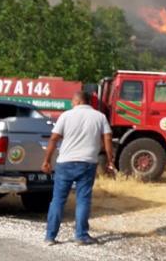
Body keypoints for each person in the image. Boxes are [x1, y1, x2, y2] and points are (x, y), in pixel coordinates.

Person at [42, 91, 115, 246]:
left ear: (78, 101)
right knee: (83, 199)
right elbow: (107, 138)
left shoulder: (66, 116)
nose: (71, 104)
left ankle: (50, 237)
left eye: (72, 101)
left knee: (58, 200)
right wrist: (110, 161)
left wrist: (47, 160)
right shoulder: (100, 117)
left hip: (65, 163)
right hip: (87, 163)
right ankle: (81, 236)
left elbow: (54, 138)